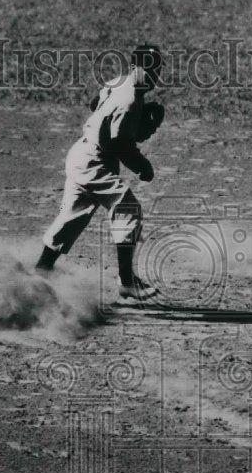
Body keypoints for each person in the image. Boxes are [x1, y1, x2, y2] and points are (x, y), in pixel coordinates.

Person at [35, 45, 166, 301]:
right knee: (128, 208)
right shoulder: (129, 100)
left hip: (82, 156)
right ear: (134, 67)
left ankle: (41, 272)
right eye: (148, 69)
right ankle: (127, 282)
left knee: (70, 218)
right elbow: (120, 145)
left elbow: (95, 103)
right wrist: (143, 167)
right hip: (94, 162)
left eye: (156, 70)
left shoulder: (119, 83)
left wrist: (134, 118)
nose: (153, 75)